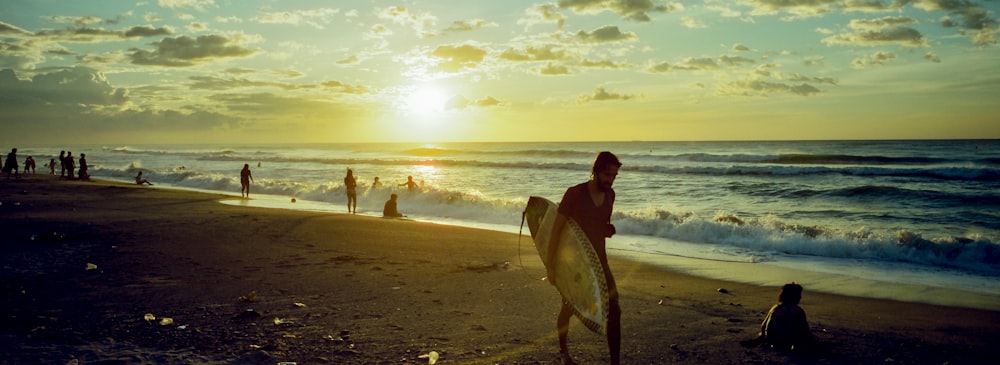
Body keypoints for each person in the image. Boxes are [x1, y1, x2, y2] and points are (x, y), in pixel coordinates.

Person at [547, 151, 622, 365]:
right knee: (569, 307)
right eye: (607, 175)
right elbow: (557, 230)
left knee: (615, 310)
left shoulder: (610, 196)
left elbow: (599, 225)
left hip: (600, 262)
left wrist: (607, 229)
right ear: (595, 172)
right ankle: (564, 353)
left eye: (614, 176)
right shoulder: (574, 194)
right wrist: (551, 265)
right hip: (576, 264)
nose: (610, 180)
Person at [755, 282, 816, 352]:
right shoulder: (798, 311)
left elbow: (763, 326)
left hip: (770, 338)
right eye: (799, 295)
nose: (800, 297)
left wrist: (764, 335)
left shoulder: (775, 307)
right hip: (784, 342)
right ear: (796, 296)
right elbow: (805, 329)